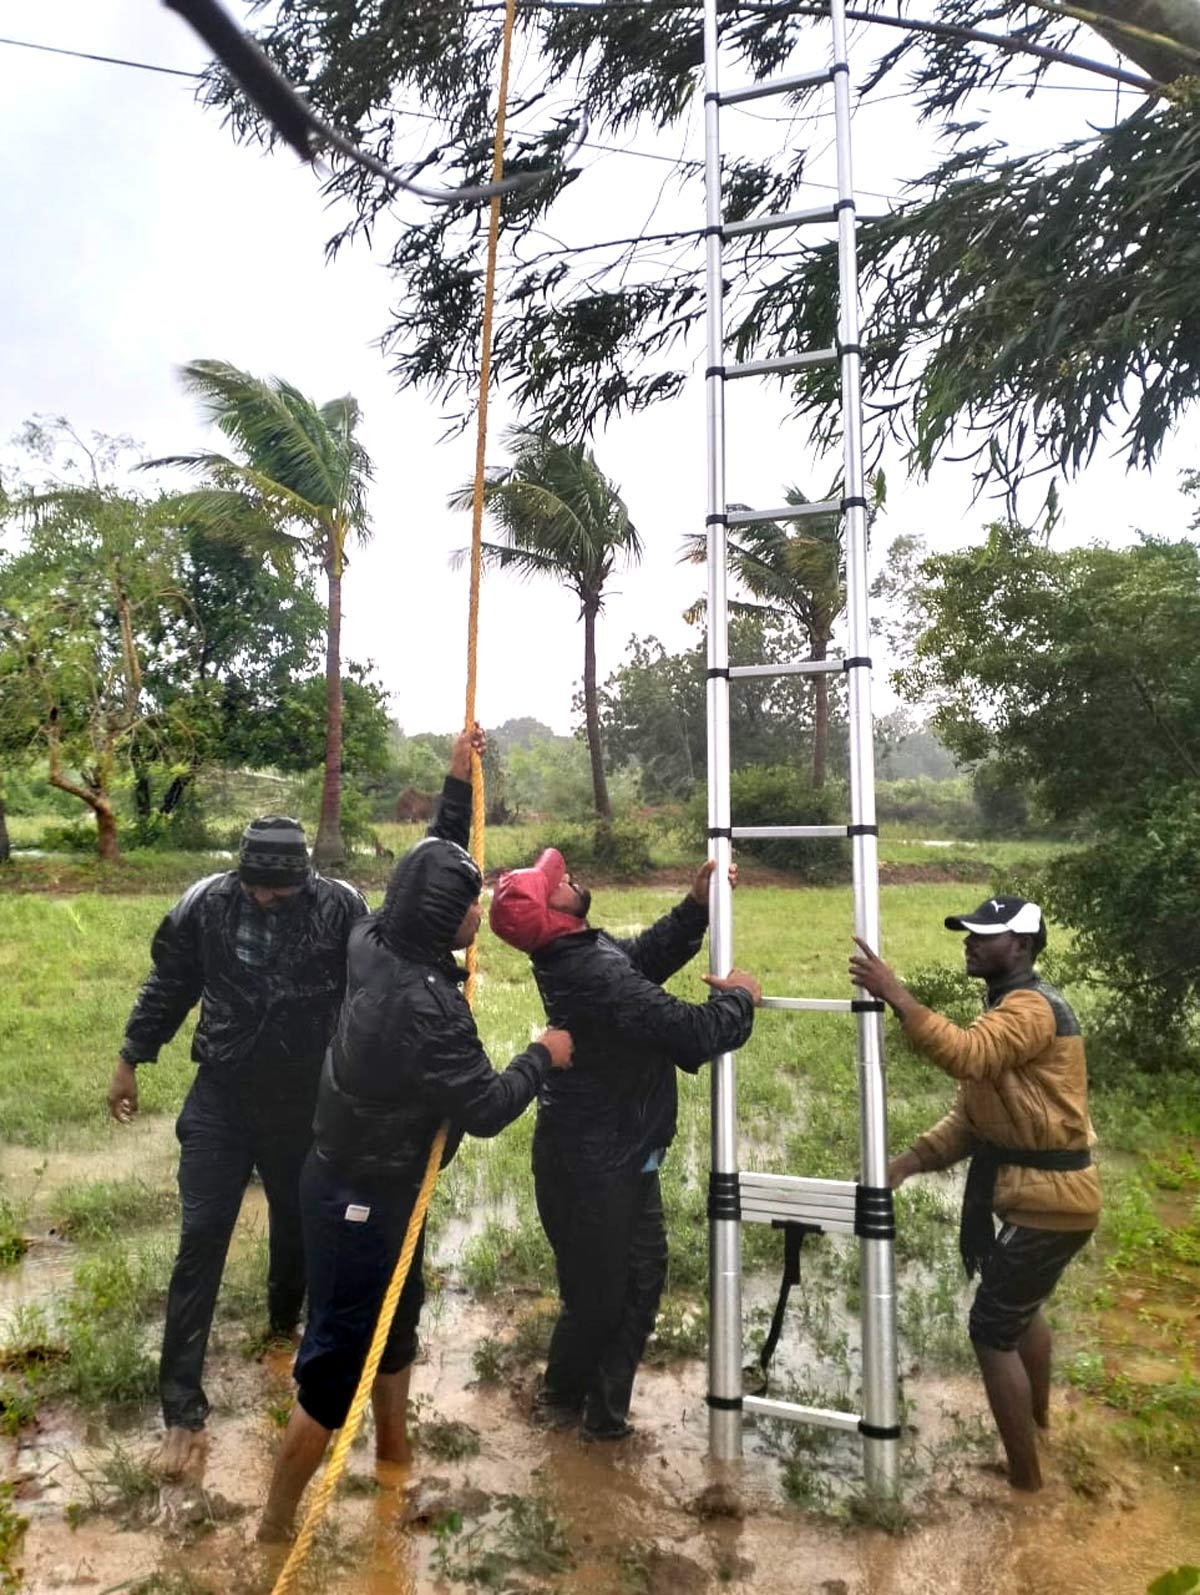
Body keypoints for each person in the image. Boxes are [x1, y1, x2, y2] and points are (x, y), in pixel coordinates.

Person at [258, 729, 572, 1542]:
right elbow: (489, 1107)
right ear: (442, 914)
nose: (483, 909)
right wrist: (543, 1053)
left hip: (374, 1181)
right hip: (359, 1195)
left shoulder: (374, 935)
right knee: (332, 1370)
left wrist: (458, 781)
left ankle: (393, 1454)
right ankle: (272, 1528)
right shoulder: (428, 1006)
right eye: (472, 902)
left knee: (397, 1317)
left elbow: (434, 852)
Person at [111, 814, 368, 1478]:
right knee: (200, 1237)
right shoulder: (205, 903)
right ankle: (181, 1413)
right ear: (241, 874)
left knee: (298, 1229)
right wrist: (132, 1055)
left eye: (278, 892)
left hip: (302, 1101)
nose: (265, 900)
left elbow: (374, 986)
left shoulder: (340, 907)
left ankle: (283, 1333)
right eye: (256, 888)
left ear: (303, 880)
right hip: (221, 1096)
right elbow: (169, 985)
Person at [488, 849, 761, 1441]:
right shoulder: (591, 972)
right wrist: (739, 998)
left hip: (613, 1153)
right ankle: (582, 1419)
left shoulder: (582, 953)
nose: (565, 878)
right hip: (599, 1165)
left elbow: (642, 960)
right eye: (553, 885)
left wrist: (696, 908)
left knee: (619, 1288)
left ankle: (582, 1411)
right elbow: (691, 1035)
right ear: (552, 918)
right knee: (610, 1298)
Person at [848, 895, 1101, 1492]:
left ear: (1020, 945)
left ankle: (1026, 1484)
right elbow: (973, 1119)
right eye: (967, 932)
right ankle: (1037, 1432)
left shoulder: (1031, 1008)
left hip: (1047, 1200)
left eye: (983, 935)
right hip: (1049, 1197)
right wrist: (905, 1165)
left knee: (991, 1333)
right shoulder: (1011, 1006)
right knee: (1020, 1310)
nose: (969, 941)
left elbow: (965, 1053)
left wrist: (897, 994)